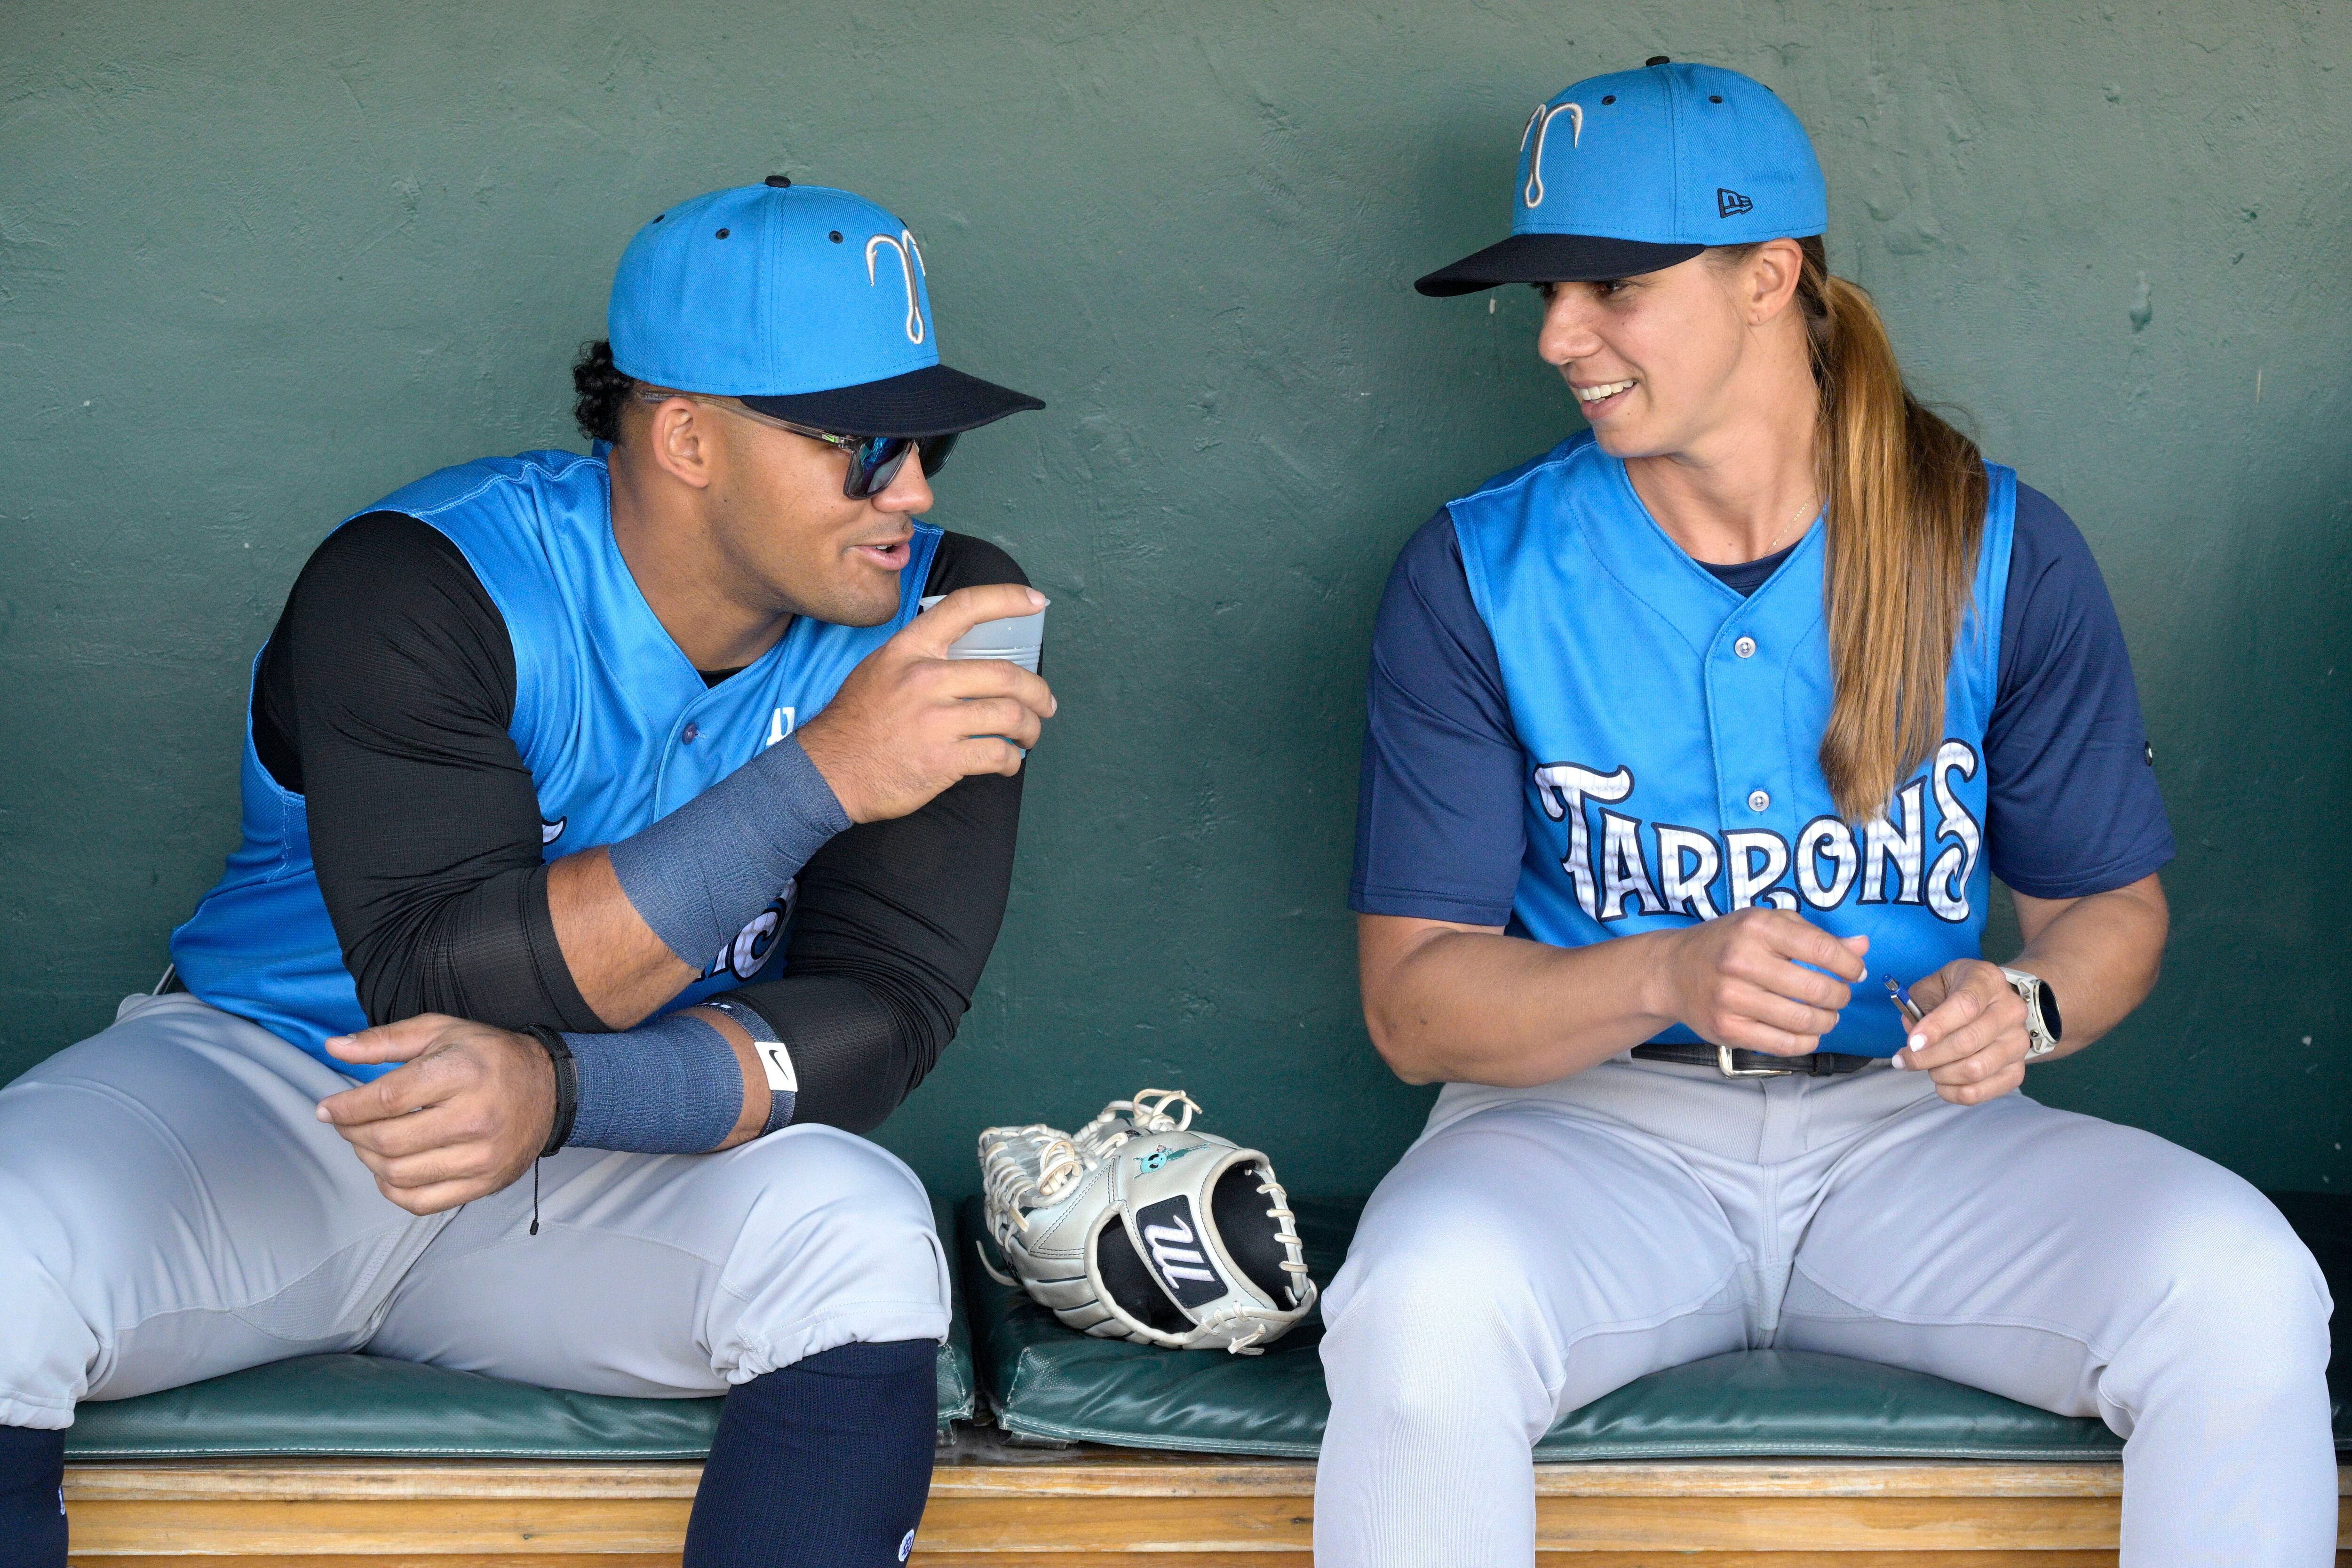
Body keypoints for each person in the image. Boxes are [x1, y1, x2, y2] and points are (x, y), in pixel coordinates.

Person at [1318, 61, 2335, 1567]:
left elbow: (2106, 913)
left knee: (2244, 1283)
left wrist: (2031, 1007)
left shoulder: (1994, 546)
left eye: (1608, 286)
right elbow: (1415, 1010)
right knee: (1416, 1315)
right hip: (1582, 1140)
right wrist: (1663, 972)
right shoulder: (1483, 572)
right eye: (1543, 292)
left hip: (1915, 1143)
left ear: (1766, 275)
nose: (1556, 337)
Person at [0, 177, 1057, 1568]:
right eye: (862, 446)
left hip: (615, 1140)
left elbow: (887, 1007)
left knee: (857, 1239)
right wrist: (825, 778)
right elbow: (445, 975)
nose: (909, 492)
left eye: (928, 444)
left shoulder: (938, 607)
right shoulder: (426, 577)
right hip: (277, 1094)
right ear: (687, 433)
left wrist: (574, 1096)